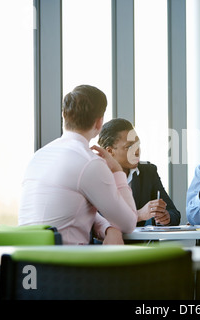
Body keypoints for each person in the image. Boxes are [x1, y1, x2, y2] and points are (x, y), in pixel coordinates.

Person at [19, 85, 137, 245]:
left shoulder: (39, 156)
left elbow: (70, 210)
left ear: (64, 115)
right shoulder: (90, 163)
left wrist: (107, 228)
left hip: (26, 262)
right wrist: (117, 171)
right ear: (99, 122)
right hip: (63, 264)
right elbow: (128, 223)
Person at [98, 118, 180, 226]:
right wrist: (139, 215)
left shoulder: (148, 172)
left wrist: (166, 217)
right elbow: (98, 222)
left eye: (138, 145)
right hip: (108, 242)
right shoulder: (97, 175)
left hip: (140, 243)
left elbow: (174, 214)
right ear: (110, 151)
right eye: (130, 146)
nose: (137, 151)